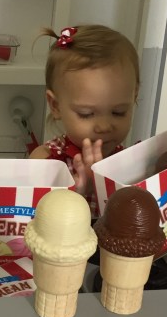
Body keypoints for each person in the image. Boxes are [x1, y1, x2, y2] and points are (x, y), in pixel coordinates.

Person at [29, 24, 140, 216]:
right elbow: (29, 221)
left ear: (134, 97)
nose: (104, 126)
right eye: (86, 114)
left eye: (118, 112)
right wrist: (77, 193)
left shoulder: (131, 163)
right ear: (55, 106)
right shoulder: (45, 162)